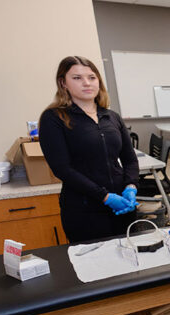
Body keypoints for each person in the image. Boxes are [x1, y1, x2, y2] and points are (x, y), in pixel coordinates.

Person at [38, 56, 139, 243]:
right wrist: (105, 197)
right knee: (95, 266)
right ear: (63, 83)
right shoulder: (54, 118)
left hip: (122, 206)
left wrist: (131, 186)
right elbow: (62, 169)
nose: (86, 83)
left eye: (92, 77)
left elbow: (130, 159)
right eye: (77, 78)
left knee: (130, 260)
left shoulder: (111, 117)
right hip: (84, 210)